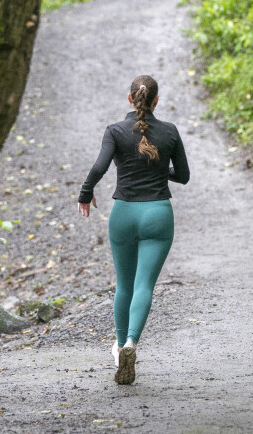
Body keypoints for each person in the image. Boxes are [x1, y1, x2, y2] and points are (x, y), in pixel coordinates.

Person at [77, 75, 190, 385]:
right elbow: (183, 175)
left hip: (124, 213)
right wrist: (157, 167)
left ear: (130, 99)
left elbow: (99, 166)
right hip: (158, 214)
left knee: (123, 285)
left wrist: (85, 194)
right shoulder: (169, 131)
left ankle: (118, 347)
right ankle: (131, 344)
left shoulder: (115, 131)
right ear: (155, 101)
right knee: (144, 286)